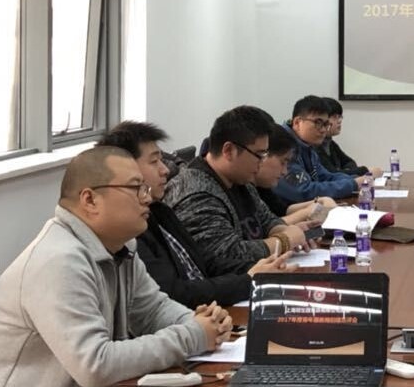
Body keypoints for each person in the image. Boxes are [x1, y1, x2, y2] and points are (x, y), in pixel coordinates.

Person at [0, 146, 232, 387]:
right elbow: (95, 366)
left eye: (145, 188)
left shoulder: (120, 247)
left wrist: (201, 323)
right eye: (135, 188)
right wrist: (193, 335)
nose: (147, 198)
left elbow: (153, 310)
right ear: (90, 200)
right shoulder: (59, 261)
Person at [98, 121, 292, 309]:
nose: (165, 169)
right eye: (154, 161)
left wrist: (260, 270)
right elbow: (173, 294)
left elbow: (204, 266)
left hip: (205, 314)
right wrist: (251, 278)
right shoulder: (130, 230)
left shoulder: (159, 211)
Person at [165, 106, 309, 274]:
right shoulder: (195, 193)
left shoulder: (241, 181)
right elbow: (225, 256)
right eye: (259, 155)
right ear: (229, 150)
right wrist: (284, 241)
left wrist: (286, 231)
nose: (262, 162)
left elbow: (267, 220)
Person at [273, 95, 362, 207]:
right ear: (297, 122)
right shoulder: (284, 145)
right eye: (318, 123)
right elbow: (303, 191)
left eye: (326, 124)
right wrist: (353, 184)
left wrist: (356, 180)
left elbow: (326, 176)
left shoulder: (307, 145)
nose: (323, 130)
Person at [255, 123, 337, 224]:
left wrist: (320, 201)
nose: (285, 172)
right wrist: (306, 212)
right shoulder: (245, 189)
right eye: (282, 162)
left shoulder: (262, 187)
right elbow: (267, 227)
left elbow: (283, 210)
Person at [317, 97, 383, 178]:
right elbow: (332, 174)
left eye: (340, 116)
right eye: (334, 117)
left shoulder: (330, 143)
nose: (339, 121)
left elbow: (350, 162)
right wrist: (366, 171)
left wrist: (346, 171)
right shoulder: (315, 146)